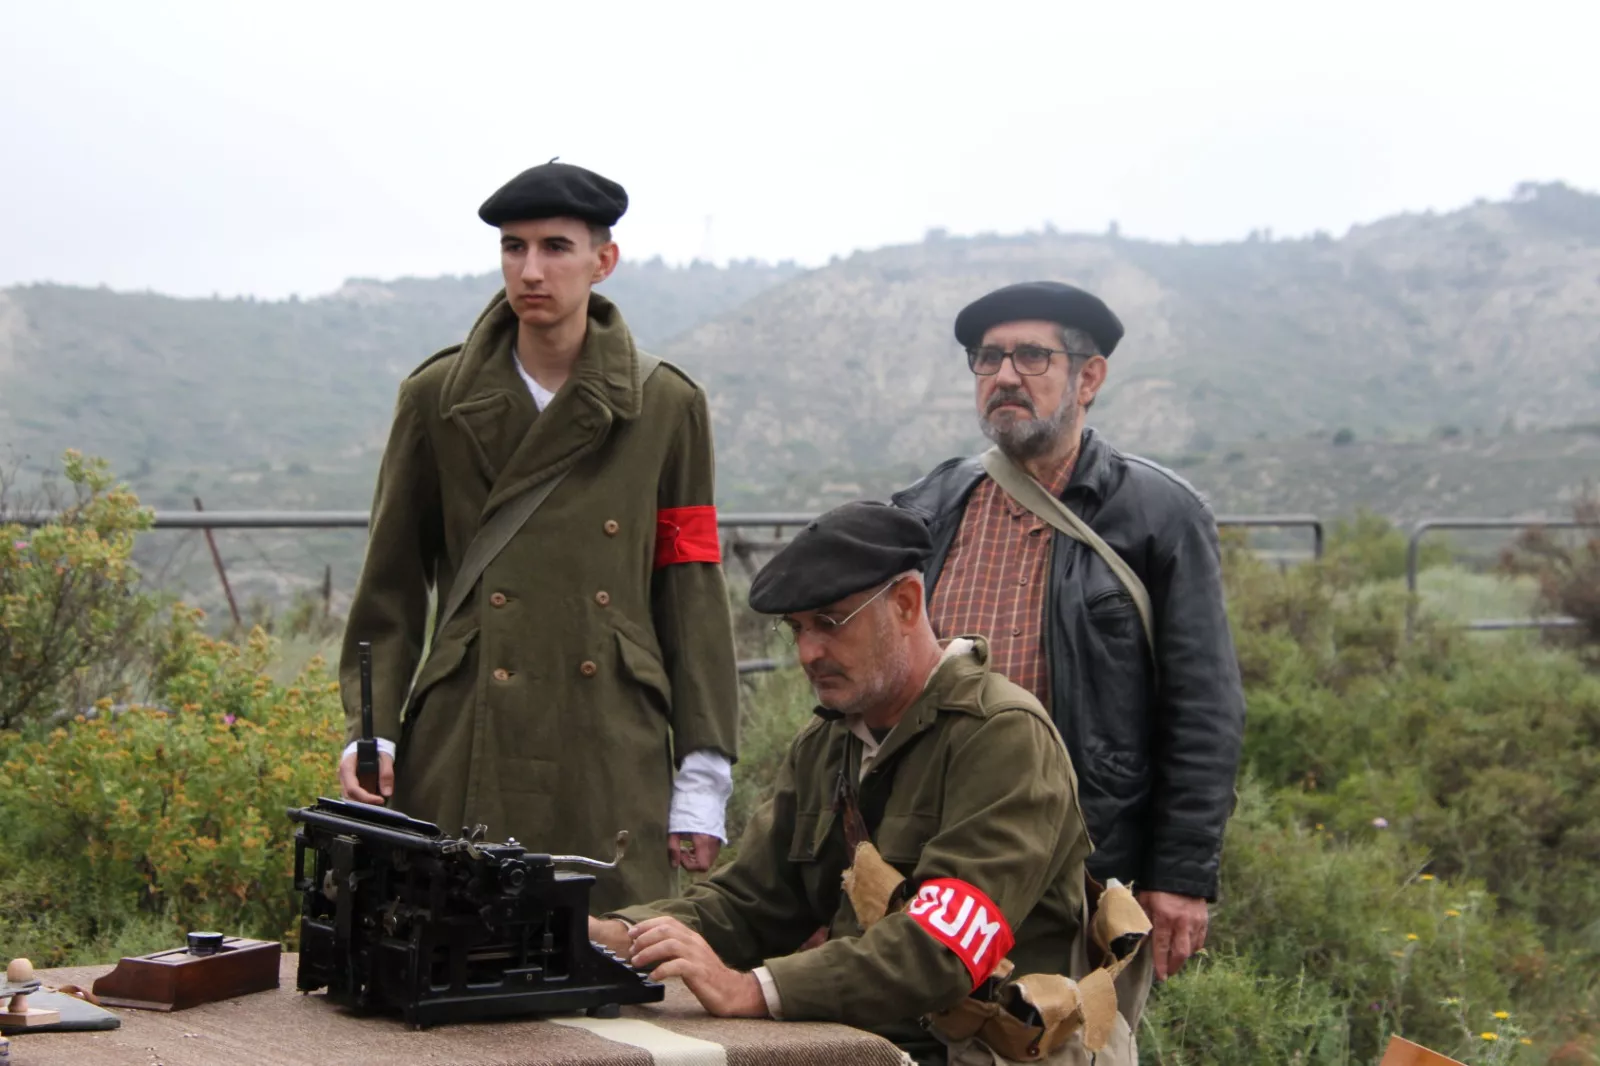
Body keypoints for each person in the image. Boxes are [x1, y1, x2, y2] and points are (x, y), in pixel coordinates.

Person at [590, 501, 1134, 1065]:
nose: (808, 653)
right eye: (796, 629)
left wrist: (753, 990)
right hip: (873, 1043)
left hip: (992, 1053)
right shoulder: (830, 743)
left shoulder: (1001, 736)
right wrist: (620, 937)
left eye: (830, 622)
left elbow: (941, 949)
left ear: (906, 604)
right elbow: (753, 900)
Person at [334, 161, 739, 911]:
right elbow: (390, 585)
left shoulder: (665, 406)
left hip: (610, 731)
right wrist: (374, 730)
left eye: (556, 247)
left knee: (611, 949)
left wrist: (703, 770)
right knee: (455, 945)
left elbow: (690, 585)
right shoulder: (437, 399)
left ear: (602, 261)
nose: (530, 271)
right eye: (513, 247)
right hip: (471, 724)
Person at [891, 280, 1247, 1012]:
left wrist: (1179, 875)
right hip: (931, 854)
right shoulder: (931, 504)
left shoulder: (1158, 513)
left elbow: (1202, 706)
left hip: (1079, 861)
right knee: (918, 1040)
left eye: (1031, 356)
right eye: (988, 357)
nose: (1004, 376)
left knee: (1063, 1042)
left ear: (1089, 378)